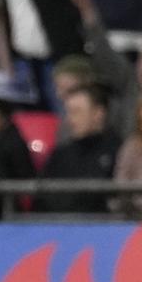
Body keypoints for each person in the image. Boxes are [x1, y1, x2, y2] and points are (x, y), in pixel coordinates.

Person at [37, 84, 121, 213]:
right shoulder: (60, 155)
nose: (69, 120)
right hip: (56, 229)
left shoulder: (119, 152)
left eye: (76, 112)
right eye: (68, 112)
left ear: (98, 113)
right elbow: (40, 201)